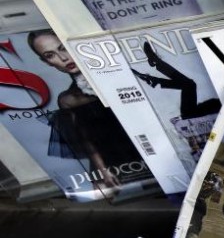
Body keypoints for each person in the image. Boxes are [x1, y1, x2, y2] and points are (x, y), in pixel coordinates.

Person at [27, 29, 142, 197]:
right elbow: (88, 142)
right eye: (50, 55)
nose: (63, 58)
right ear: (46, 62)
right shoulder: (68, 100)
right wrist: (103, 172)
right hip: (121, 161)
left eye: (63, 48)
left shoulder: (122, 73)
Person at [132, 41, 221, 121]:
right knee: (189, 85)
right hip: (198, 112)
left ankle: (155, 67)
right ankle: (155, 67)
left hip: (193, 115)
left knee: (189, 85)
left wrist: (184, 118)